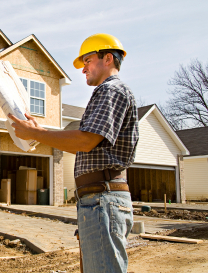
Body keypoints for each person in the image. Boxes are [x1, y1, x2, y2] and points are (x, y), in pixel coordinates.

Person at [8, 33, 139, 273]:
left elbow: (86, 140)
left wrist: (36, 134)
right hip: (98, 199)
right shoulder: (107, 92)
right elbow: (82, 140)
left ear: (107, 58)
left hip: (103, 198)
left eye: (87, 61)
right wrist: (41, 131)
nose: (83, 69)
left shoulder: (112, 90)